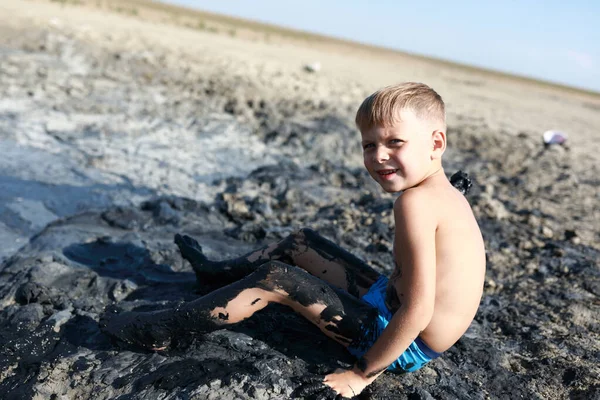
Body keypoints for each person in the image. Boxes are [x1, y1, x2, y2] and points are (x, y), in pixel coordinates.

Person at [101, 82, 486, 398]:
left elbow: (418, 312)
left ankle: (165, 328)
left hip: (403, 343)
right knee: (302, 243)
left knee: (276, 278)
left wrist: (362, 374)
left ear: (437, 144)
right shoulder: (440, 192)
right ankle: (212, 274)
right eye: (369, 145)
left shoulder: (416, 204)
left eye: (395, 143)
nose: (379, 156)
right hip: (390, 302)